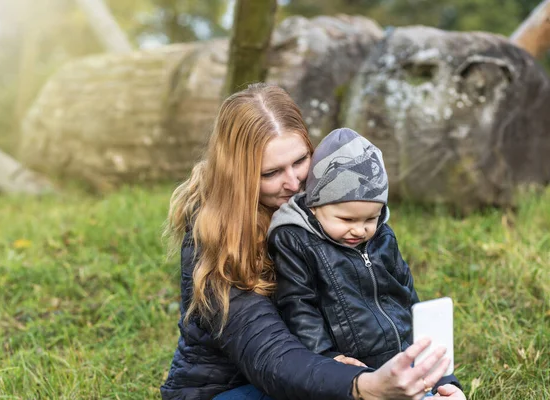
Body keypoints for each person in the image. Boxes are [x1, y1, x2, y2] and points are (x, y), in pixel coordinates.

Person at [160, 83, 457, 400]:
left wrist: (441, 385)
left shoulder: (331, 214)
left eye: (301, 160)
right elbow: (268, 353)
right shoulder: (214, 233)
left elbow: (391, 306)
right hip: (232, 388)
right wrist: (360, 385)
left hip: (318, 374)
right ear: (239, 175)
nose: (293, 182)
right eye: (271, 172)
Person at [267, 128, 467, 399]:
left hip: (402, 362)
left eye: (370, 218)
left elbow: (406, 297)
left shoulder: (382, 237)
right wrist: (327, 359)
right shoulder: (296, 242)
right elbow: (298, 307)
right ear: (314, 207)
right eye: (347, 220)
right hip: (351, 371)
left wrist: (444, 377)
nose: (360, 230)